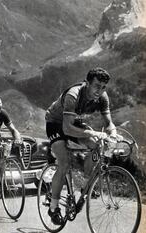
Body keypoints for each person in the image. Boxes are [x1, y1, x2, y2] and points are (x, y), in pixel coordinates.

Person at [45, 67, 117, 225]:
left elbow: (109, 123)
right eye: (97, 86)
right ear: (87, 83)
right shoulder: (73, 95)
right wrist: (93, 133)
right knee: (63, 164)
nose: (100, 90)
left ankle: (84, 184)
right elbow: (66, 129)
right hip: (55, 124)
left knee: (97, 146)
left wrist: (113, 133)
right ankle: (53, 207)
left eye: (103, 87)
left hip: (73, 123)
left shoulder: (102, 97)